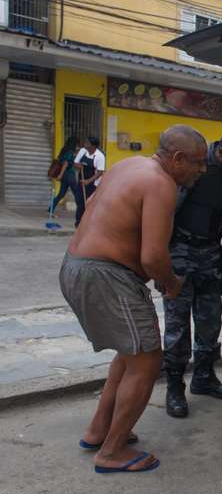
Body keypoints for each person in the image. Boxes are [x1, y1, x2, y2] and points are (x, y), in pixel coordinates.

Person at [59, 125, 207, 473]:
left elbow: (96, 207)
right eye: (198, 164)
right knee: (147, 361)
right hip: (106, 275)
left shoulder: (128, 166)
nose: (202, 171)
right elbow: (153, 257)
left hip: (76, 266)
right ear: (178, 158)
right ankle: (111, 453)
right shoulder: (161, 184)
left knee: (130, 355)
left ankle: (98, 431)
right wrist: (172, 284)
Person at [163, 126, 222, 418]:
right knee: (177, 324)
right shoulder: (195, 163)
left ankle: (203, 377)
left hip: (211, 254)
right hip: (179, 252)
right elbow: (165, 211)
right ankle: (175, 386)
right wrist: (157, 260)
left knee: (210, 320)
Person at [73, 136, 107, 226]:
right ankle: (78, 223)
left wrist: (88, 181)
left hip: (93, 183)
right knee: (79, 201)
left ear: (93, 146)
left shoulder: (100, 156)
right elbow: (75, 163)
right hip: (82, 180)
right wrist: (78, 165)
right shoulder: (83, 151)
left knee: (88, 203)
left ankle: (86, 223)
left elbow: (100, 172)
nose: (85, 144)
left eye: (87, 143)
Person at [50, 136, 81, 216]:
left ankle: (51, 208)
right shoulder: (70, 152)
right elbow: (65, 164)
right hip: (69, 175)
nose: (77, 146)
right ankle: (82, 210)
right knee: (77, 193)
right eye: (77, 144)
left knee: (61, 193)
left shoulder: (65, 150)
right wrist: (60, 175)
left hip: (65, 175)